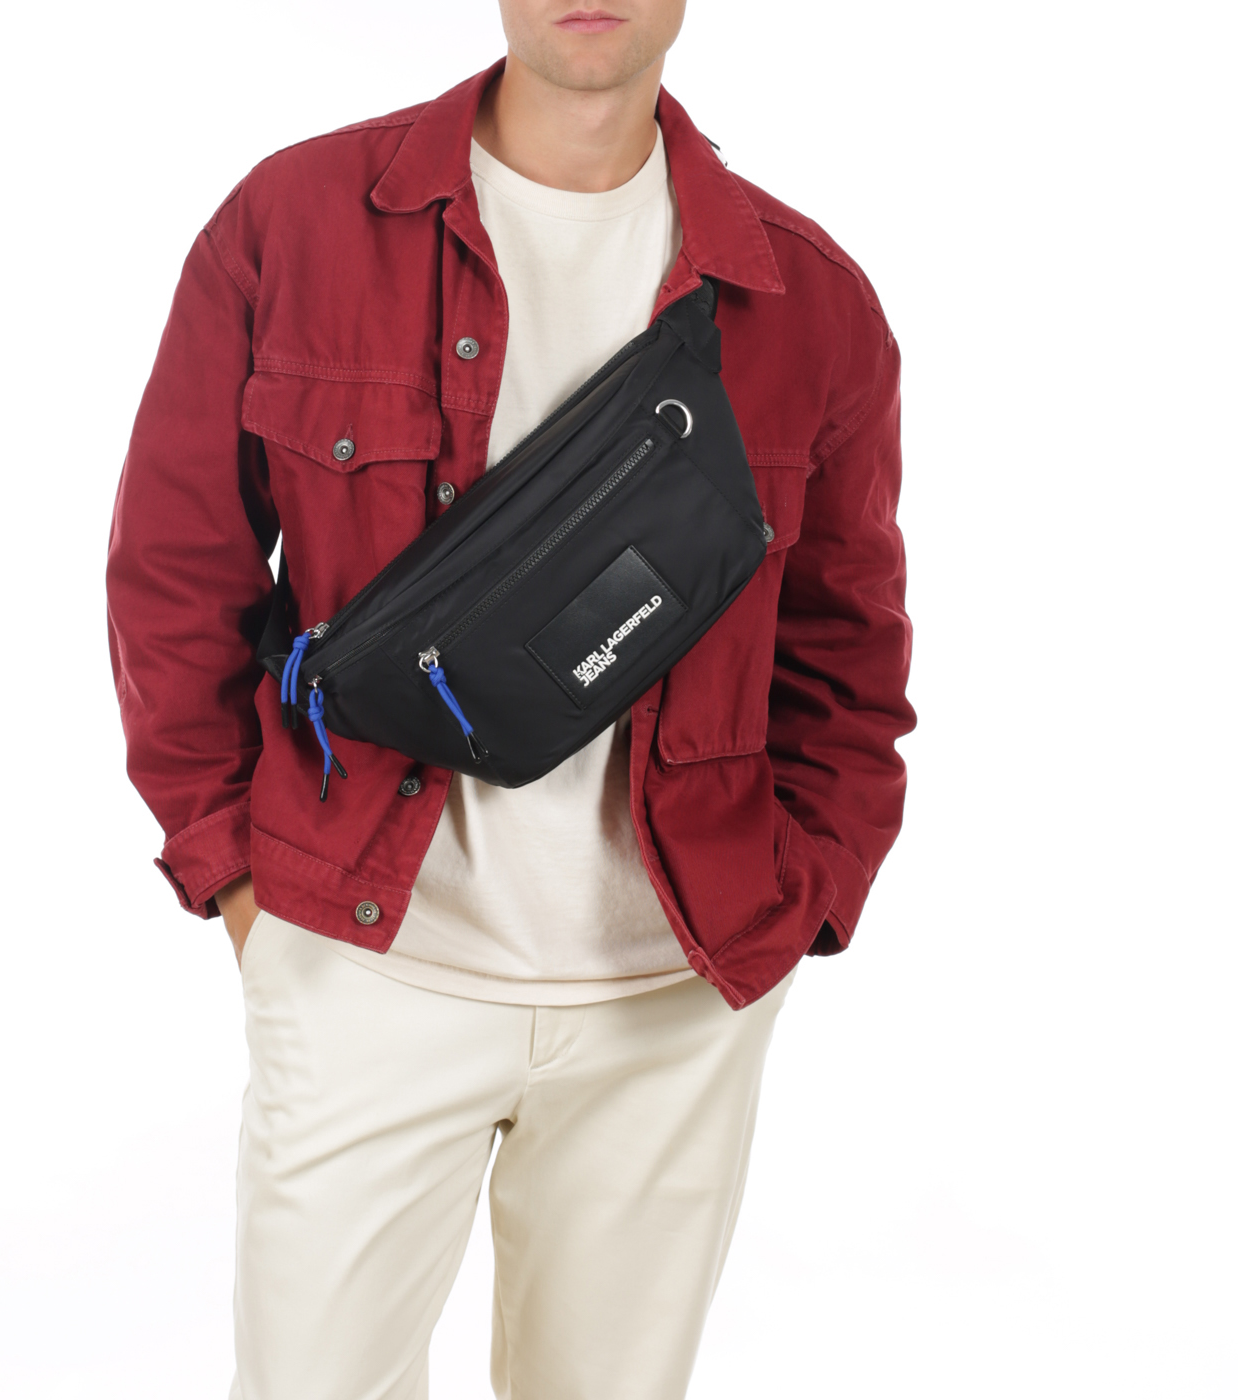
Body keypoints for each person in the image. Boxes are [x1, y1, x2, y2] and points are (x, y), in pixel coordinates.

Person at [107, 1, 914, 1395]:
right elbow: (177, 572)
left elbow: (849, 653)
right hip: (366, 958)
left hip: (670, 1001)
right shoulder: (296, 223)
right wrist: (241, 885)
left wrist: (802, 900)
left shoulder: (808, 297)